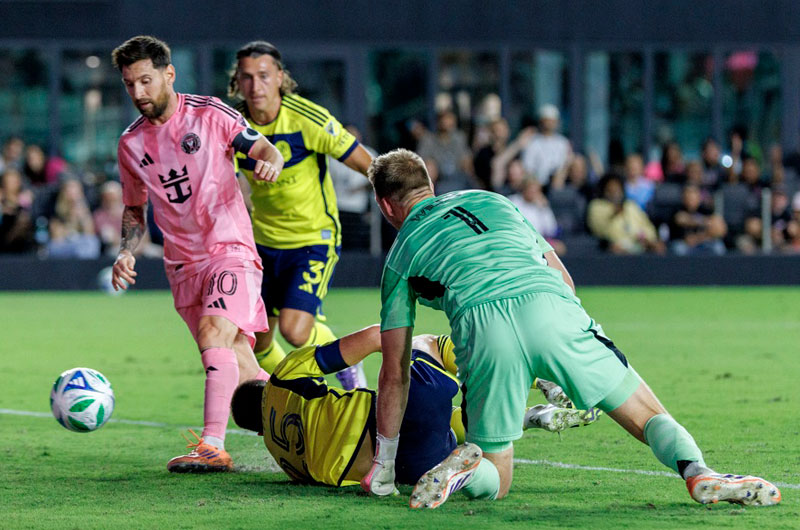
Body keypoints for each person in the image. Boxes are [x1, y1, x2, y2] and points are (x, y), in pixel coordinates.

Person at [361, 148, 781, 509]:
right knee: (646, 411)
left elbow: (394, 370)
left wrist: (384, 466)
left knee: (498, 476)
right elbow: (562, 277)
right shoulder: (493, 201)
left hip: (482, 328)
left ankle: (466, 473)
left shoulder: (399, 257)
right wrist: (557, 359)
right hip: (548, 304)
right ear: (429, 184)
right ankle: (698, 472)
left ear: (385, 205)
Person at [109, 35, 284, 473]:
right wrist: (126, 252)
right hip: (182, 267)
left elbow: (261, 146)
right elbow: (135, 209)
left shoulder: (209, 114)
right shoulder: (130, 145)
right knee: (245, 377)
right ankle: (306, 428)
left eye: (146, 81)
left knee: (213, 333)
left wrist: (269, 161)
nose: (139, 93)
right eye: (130, 84)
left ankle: (211, 445)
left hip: (230, 251)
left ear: (170, 74)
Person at [231, 325, 596, 487]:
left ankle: (532, 417)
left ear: (257, 429)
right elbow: (377, 335)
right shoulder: (282, 376)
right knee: (427, 344)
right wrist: (401, 364)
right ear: (263, 383)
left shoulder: (280, 457)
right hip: (395, 419)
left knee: (443, 426)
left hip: (412, 468)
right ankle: (540, 379)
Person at [227, 41, 372, 389]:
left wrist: (405, 205)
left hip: (312, 240)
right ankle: (299, 392)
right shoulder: (233, 126)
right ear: (237, 82)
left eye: (263, 76)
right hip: (262, 245)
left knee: (294, 330)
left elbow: (368, 164)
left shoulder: (307, 118)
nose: (255, 86)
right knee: (258, 339)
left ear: (280, 77)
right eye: (246, 78)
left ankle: (348, 366)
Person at [587, 174, 665, 255]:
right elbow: (598, 230)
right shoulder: (596, 206)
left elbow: (648, 227)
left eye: (617, 189)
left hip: (640, 248)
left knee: (658, 247)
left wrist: (648, 239)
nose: (614, 193)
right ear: (604, 190)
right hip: (613, 250)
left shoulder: (631, 206)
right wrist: (612, 215)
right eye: (610, 190)